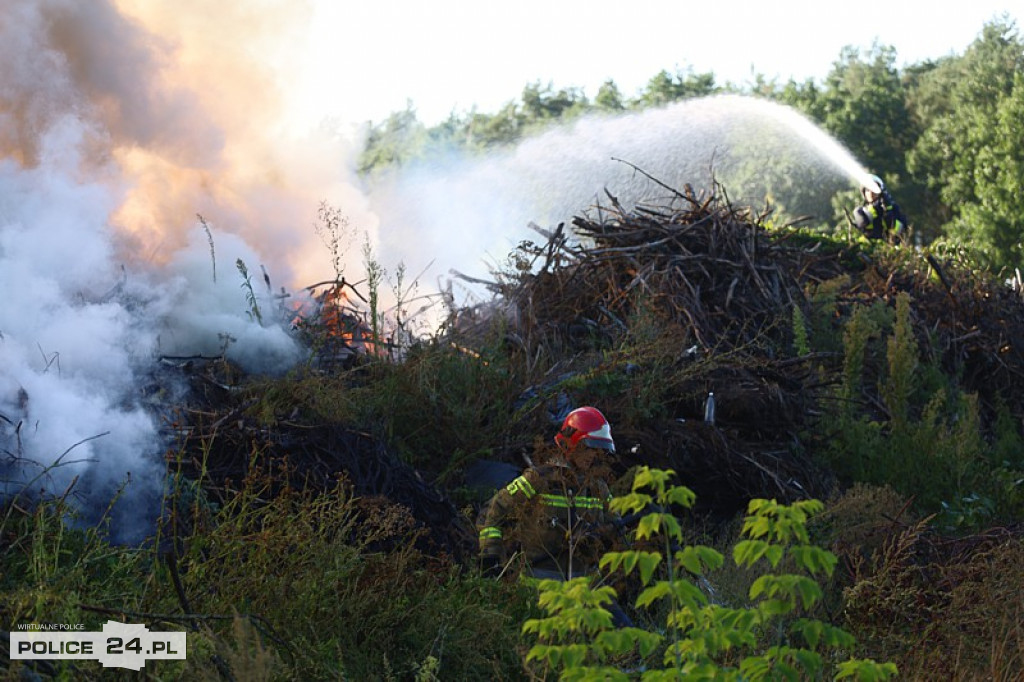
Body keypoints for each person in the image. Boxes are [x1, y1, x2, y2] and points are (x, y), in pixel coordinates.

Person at [477, 406, 633, 626]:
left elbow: (618, 531)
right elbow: (494, 512)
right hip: (540, 587)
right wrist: (490, 556)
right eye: (588, 448)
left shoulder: (598, 488)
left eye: (598, 450)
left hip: (586, 587)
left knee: (623, 632)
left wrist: (605, 540)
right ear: (571, 444)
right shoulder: (538, 480)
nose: (593, 456)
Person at [852, 174, 908, 243]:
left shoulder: (893, 209)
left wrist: (888, 212)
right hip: (868, 248)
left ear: (880, 191)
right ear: (864, 194)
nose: (871, 192)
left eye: (873, 189)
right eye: (867, 190)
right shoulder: (861, 211)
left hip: (889, 249)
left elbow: (901, 232)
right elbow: (862, 232)